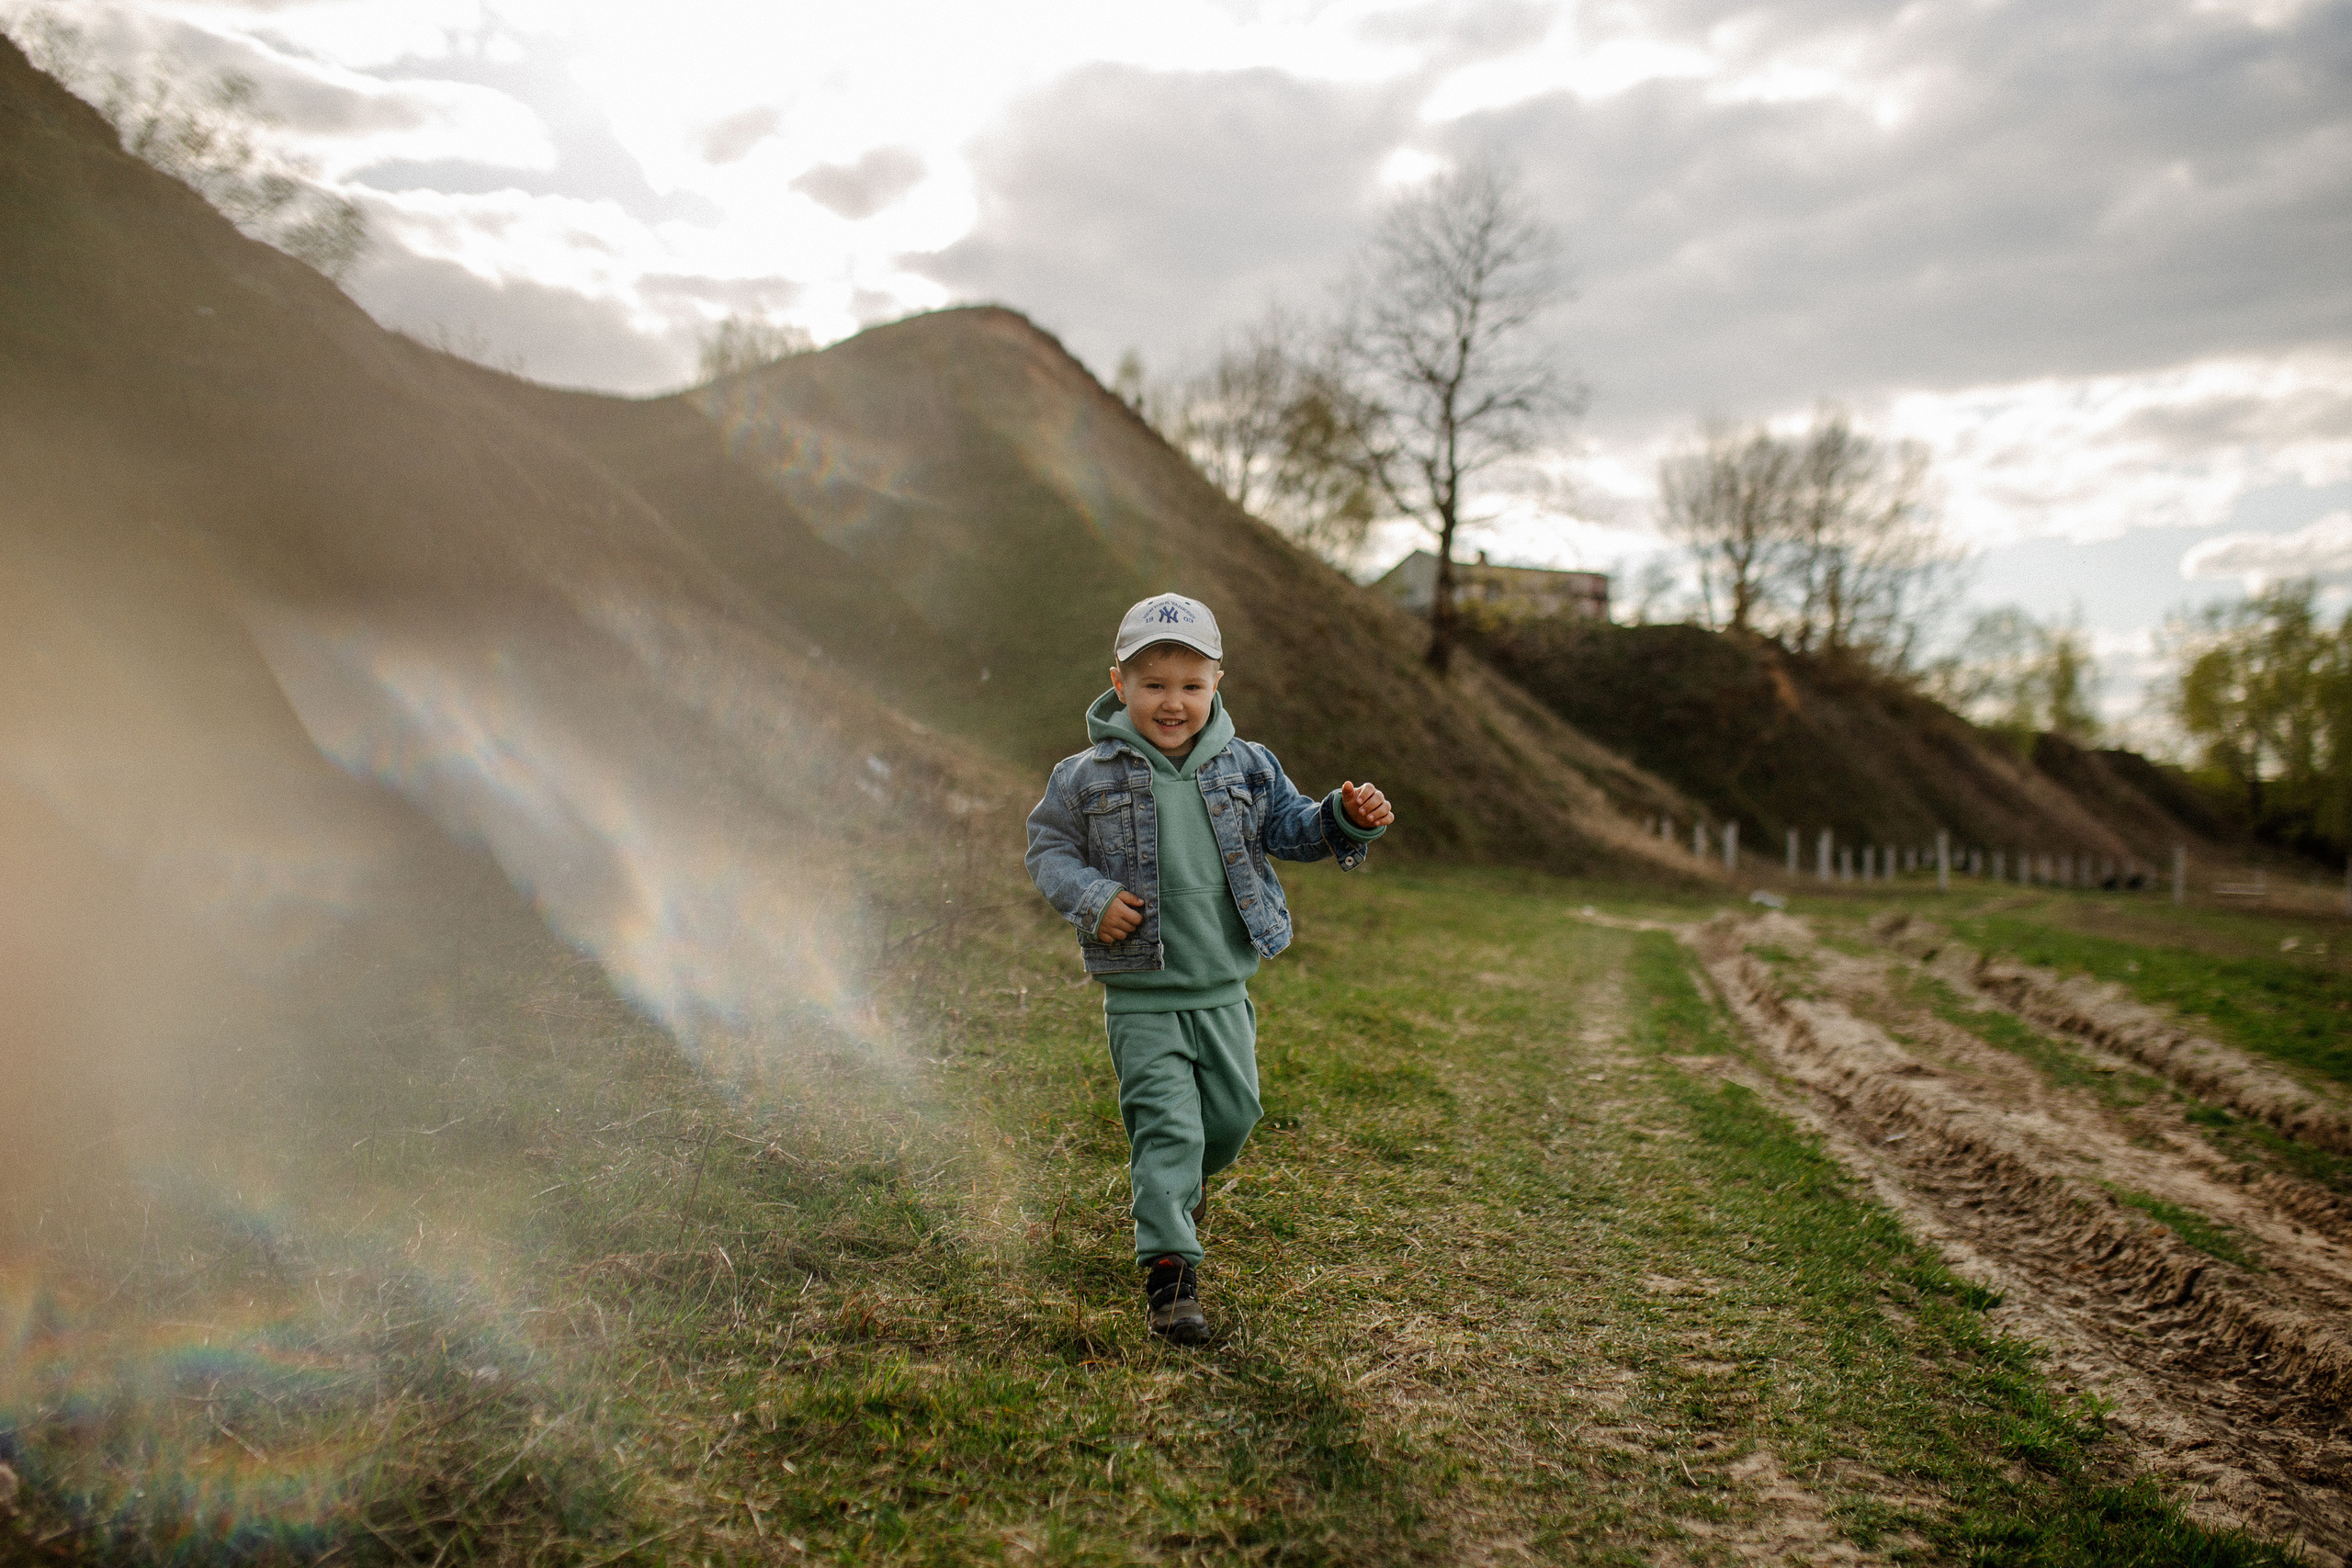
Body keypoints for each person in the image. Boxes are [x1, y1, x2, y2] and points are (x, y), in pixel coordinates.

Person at [1024, 592, 1396, 1344]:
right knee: (1167, 1130)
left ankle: (1184, 1191)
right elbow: (1048, 848)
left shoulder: (1248, 766)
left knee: (1229, 1121)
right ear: (1118, 682)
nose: (1172, 702)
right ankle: (1170, 1275)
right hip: (1141, 993)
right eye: (1153, 683)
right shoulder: (1084, 776)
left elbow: (1291, 829)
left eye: (1190, 685)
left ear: (1217, 682)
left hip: (1223, 987)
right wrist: (1093, 897)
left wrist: (1344, 817)